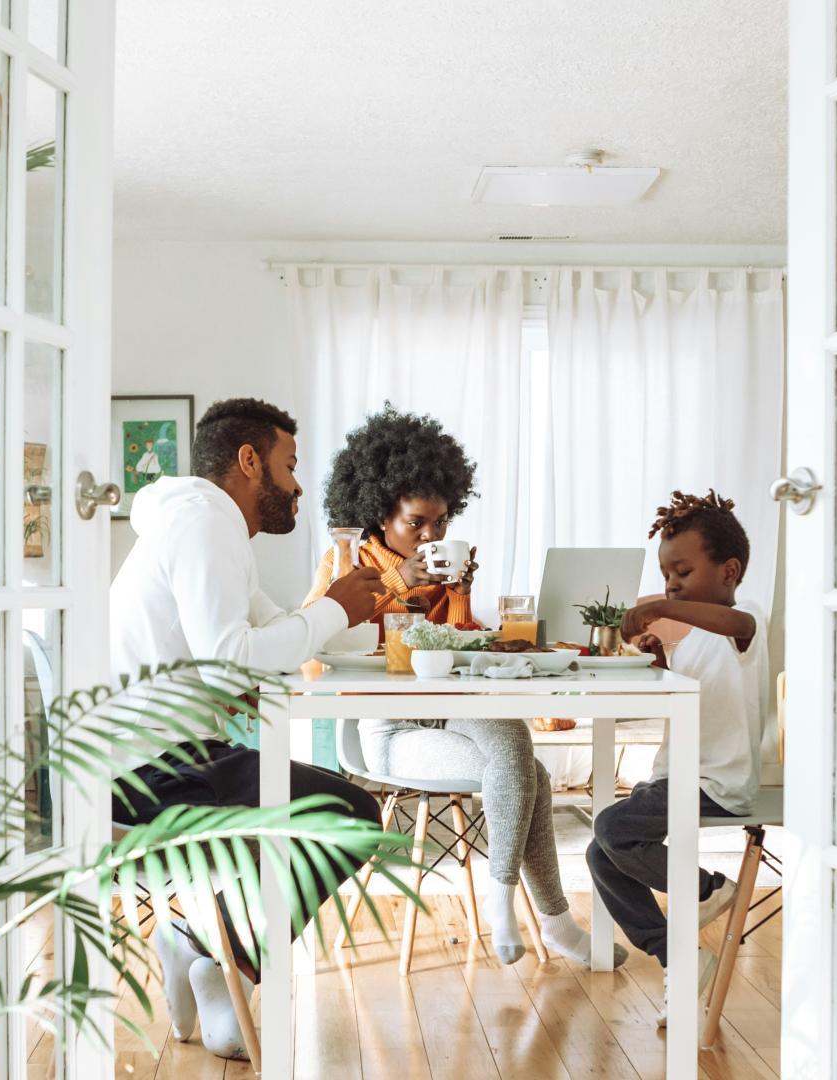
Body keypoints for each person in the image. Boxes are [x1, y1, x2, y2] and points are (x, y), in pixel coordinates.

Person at [110, 397, 385, 1061]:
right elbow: (234, 656)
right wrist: (333, 608)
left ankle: (201, 946)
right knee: (350, 814)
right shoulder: (206, 522)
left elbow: (268, 636)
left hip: (161, 755)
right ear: (249, 460)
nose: (295, 486)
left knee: (331, 803)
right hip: (140, 774)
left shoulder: (202, 523)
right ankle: (211, 956)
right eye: (289, 466)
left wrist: (333, 613)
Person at [301, 406, 616, 968]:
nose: (431, 535)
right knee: (530, 772)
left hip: (448, 711)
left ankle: (513, 905)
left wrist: (463, 596)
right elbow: (314, 650)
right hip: (389, 728)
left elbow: (451, 650)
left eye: (441, 522)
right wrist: (398, 581)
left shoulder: (443, 567)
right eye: (416, 522)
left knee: (515, 743)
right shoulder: (345, 562)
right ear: (378, 513)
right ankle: (545, 918)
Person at [584, 489, 771, 1024]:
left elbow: (736, 629)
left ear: (730, 571)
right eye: (667, 576)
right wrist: (661, 655)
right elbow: (688, 698)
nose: (670, 585)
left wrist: (662, 608)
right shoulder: (692, 643)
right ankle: (679, 957)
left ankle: (710, 889)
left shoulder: (745, 621)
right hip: (675, 777)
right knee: (601, 854)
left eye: (682, 573)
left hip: (716, 782)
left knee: (614, 830)